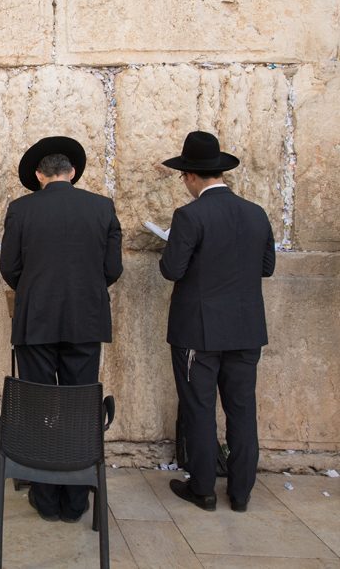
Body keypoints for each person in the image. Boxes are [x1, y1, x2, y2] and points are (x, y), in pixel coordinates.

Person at [0, 136, 123, 523]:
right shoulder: (102, 208)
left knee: (38, 407)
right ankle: (75, 500)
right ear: (72, 173)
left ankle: (46, 496)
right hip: (85, 321)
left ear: (38, 175)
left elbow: (9, 266)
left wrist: (36, 292)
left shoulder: (21, 209)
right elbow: (112, 269)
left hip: (35, 321)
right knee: (78, 408)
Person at [160, 131, 275, 513]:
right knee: (243, 411)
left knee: (200, 408)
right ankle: (241, 493)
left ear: (191, 176)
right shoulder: (256, 213)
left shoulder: (190, 215)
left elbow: (172, 270)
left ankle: (204, 489)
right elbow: (266, 267)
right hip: (246, 329)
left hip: (199, 331)